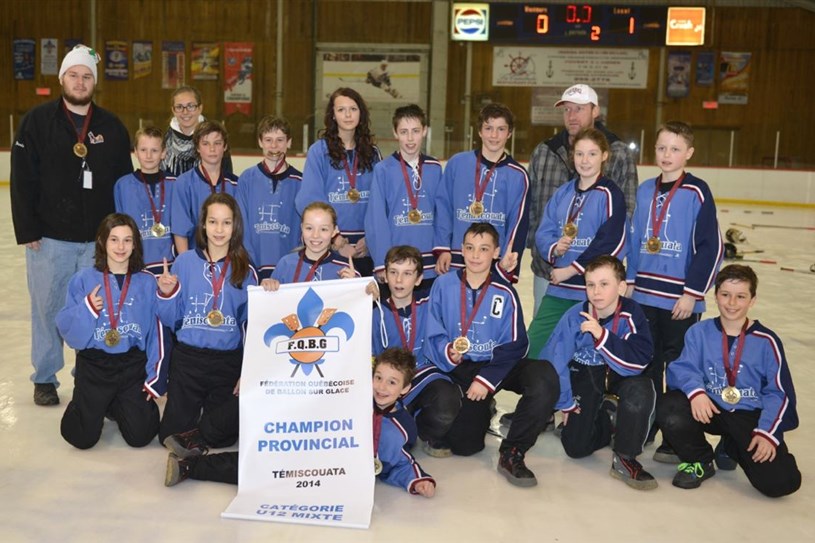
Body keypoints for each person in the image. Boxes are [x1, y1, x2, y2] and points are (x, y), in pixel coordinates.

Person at [10, 44, 133, 405]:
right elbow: (21, 179)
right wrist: (28, 229)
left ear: (94, 82)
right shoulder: (36, 121)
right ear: (62, 78)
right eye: (74, 75)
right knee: (47, 308)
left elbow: (122, 182)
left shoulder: (111, 125)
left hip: (98, 242)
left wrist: (119, 236)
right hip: (49, 238)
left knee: (93, 310)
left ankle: (89, 375)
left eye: (87, 76)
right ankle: (45, 377)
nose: (80, 82)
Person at [165, 348, 436, 499]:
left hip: (319, 467)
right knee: (257, 397)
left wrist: (419, 480)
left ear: (405, 388)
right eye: (378, 377)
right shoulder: (352, 392)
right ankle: (195, 438)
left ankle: (191, 467)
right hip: (302, 436)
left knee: (262, 469)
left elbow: (399, 462)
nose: (382, 387)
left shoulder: (397, 428)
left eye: (392, 382)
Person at [424, 223, 560, 487]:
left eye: (484, 249)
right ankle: (482, 408)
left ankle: (513, 451)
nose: (476, 255)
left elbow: (517, 344)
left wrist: (487, 379)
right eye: (470, 248)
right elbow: (432, 331)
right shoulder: (443, 285)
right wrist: (448, 353)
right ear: (461, 250)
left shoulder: (505, 291)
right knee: (466, 446)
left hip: (497, 366)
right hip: (462, 367)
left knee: (544, 376)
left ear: (495, 253)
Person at [656, 264, 801, 497]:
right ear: (716, 296)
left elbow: (779, 392)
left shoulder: (767, 341)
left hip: (747, 413)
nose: (732, 303)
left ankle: (732, 445)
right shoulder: (698, 332)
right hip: (709, 407)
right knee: (669, 407)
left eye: (740, 296)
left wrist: (768, 432)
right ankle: (701, 460)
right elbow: (682, 368)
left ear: (752, 300)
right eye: (725, 295)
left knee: (781, 482)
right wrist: (697, 392)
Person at [626, 121, 723, 462]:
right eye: (662, 148)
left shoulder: (697, 192)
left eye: (675, 149)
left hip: (679, 299)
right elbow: (636, 239)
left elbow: (711, 247)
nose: (667, 155)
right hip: (644, 297)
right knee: (647, 366)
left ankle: (674, 435)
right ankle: (648, 424)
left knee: (680, 369)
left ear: (689, 153)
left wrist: (692, 293)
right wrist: (632, 280)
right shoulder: (644, 190)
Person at [542, 255, 656, 490]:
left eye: (604, 284)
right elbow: (554, 361)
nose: (596, 292)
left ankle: (625, 457)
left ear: (621, 287)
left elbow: (638, 362)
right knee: (575, 448)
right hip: (586, 373)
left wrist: (602, 336)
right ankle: (608, 419)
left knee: (641, 389)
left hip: (621, 374)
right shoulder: (575, 315)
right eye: (590, 284)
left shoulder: (633, 314)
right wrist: (566, 403)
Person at [526, 84, 638, 315]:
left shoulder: (618, 152)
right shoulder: (544, 150)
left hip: (596, 273)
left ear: (595, 111)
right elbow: (534, 207)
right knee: (545, 339)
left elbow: (626, 213)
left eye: (579, 108)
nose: (572, 115)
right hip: (550, 269)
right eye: (567, 110)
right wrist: (545, 249)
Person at [156, 193, 257, 445]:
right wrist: (166, 294)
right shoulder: (184, 262)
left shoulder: (245, 268)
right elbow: (171, 320)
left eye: (226, 222)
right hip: (189, 359)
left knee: (224, 439)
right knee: (169, 436)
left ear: (235, 226)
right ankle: (196, 425)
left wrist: (247, 370)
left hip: (226, 362)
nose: (219, 229)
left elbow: (252, 326)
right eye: (213, 222)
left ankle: (203, 428)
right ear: (203, 225)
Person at [56, 213, 163, 449]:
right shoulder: (83, 279)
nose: (121, 247)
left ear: (135, 244)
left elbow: (156, 333)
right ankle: (87, 401)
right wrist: (87, 310)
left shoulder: (147, 282)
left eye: (127, 240)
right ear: (102, 242)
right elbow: (70, 334)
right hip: (95, 366)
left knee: (141, 436)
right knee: (81, 438)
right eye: (114, 239)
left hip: (131, 365)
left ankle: (115, 403)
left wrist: (154, 375)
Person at [526, 127, 627, 357]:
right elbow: (544, 230)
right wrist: (554, 247)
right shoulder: (563, 192)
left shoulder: (610, 194)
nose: (585, 160)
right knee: (534, 346)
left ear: (604, 155)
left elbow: (611, 241)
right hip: (560, 289)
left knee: (583, 355)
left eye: (592, 154)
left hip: (593, 292)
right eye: (579, 154)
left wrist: (572, 269)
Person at [372, 246, 458, 455]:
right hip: (390, 385)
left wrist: (451, 353)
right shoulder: (375, 313)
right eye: (393, 272)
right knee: (392, 442)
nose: (399, 280)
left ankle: (424, 428)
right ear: (385, 276)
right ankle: (405, 419)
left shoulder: (429, 306)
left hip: (422, 376)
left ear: (419, 279)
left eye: (407, 274)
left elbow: (467, 283)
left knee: (448, 401)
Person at [434, 103, 528, 284]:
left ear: (509, 133)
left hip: (494, 262)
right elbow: (443, 207)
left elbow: (518, 223)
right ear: (479, 131)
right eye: (488, 128)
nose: (494, 135)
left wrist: (507, 262)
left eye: (501, 129)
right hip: (456, 257)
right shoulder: (457, 163)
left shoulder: (518, 175)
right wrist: (443, 248)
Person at [296, 88, 381, 276]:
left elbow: (380, 200)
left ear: (361, 113)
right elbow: (310, 199)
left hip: (365, 248)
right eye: (341, 110)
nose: (348, 115)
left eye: (353, 109)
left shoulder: (372, 153)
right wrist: (336, 239)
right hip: (330, 246)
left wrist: (370, 239)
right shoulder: (319, 151)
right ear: (333, 115)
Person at [365, 105, 443, 289]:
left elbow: (442, 214)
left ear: (424, 131)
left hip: (428, 265)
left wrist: (442, 251)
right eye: (404, 131)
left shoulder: (435, 168)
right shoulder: (383, 170)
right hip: (396, 265)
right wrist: (381, 261)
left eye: (415, 131)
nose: (410, 138)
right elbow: (376, 219)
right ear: (395, 132)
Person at [235, 116, 303, 280]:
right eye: (268, 140)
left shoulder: (301, 181)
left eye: (280, 140)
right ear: (260, 142)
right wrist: (249, 262)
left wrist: (293, 263)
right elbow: (240, 222)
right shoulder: (246, 178)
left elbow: (304, 228)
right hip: (253, 266)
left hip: (290, 267)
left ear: (289, 143)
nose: (274, 146)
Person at [114, 126, 177, 276]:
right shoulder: (122, 185)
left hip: (169, 264)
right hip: (136, 264)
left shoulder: (175, 184)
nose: (148, 155)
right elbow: (119, 227)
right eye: (143, 150)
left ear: (163, 153)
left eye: (154, 150)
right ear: (135, 151)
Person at [170, 120, 239, 255]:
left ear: (225, 146)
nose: (212, 149)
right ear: (197, 147)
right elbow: (180, 231)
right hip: (195, 257)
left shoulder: (236, 184)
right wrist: (187, 264)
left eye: (217, 143)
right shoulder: (184, 183)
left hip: (229, 260)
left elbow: (240, 229)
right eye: (205, 144)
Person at [263, 202, 359, 289]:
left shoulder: (346, 269)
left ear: (334, 231)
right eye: (309, 228)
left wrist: (357, 288)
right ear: (301, 228)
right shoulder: (286, 264)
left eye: (323, 229)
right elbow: (270, 303)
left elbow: (362, 303)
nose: (315, 235)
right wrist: (266, 288)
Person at [160, 86, 232, 177]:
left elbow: (226, 179)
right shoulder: (164, 140)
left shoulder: (216, 138)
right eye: (179, 107)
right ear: (173, 110)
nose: (185, 112)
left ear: (200, 108)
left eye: (191, 106)